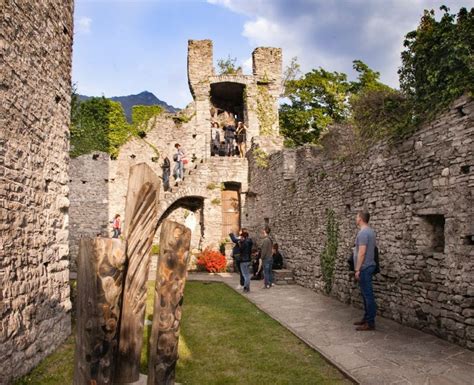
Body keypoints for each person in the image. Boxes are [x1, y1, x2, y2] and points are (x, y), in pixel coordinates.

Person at [353, 210, 377, 331]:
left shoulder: (363, 233)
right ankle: (366, 318)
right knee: (365, 294)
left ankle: (370, 322)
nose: (355, 218)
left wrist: (357, 269)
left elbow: (362, 252)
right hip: (369, 266)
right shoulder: (371, 231)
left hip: (365, 267)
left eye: (357, 217)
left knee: (368, 295)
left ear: (361, 219)